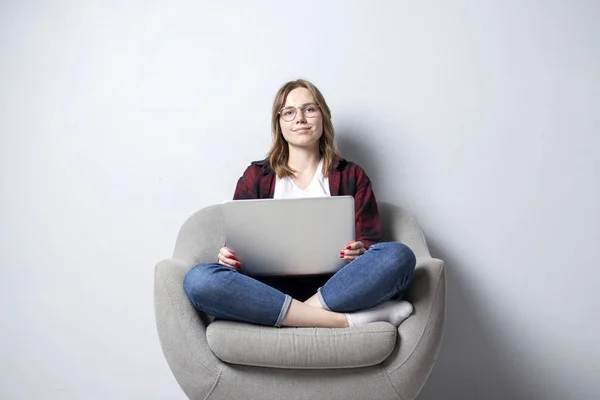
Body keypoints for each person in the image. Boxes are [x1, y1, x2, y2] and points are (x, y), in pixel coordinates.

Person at [184, 79, 416, 329]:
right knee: (198, 280)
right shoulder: (256, 176)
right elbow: (240, 245)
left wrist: (360, 252)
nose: (300, 118)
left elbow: (370, 243)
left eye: (309, 109)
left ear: (323, 117)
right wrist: (228, 257)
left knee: (398, 256)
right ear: (279, 124)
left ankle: (296, 314)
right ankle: (345, 320)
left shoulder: (352, 175)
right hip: (267, 287)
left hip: (338, 285)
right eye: (289, 112)